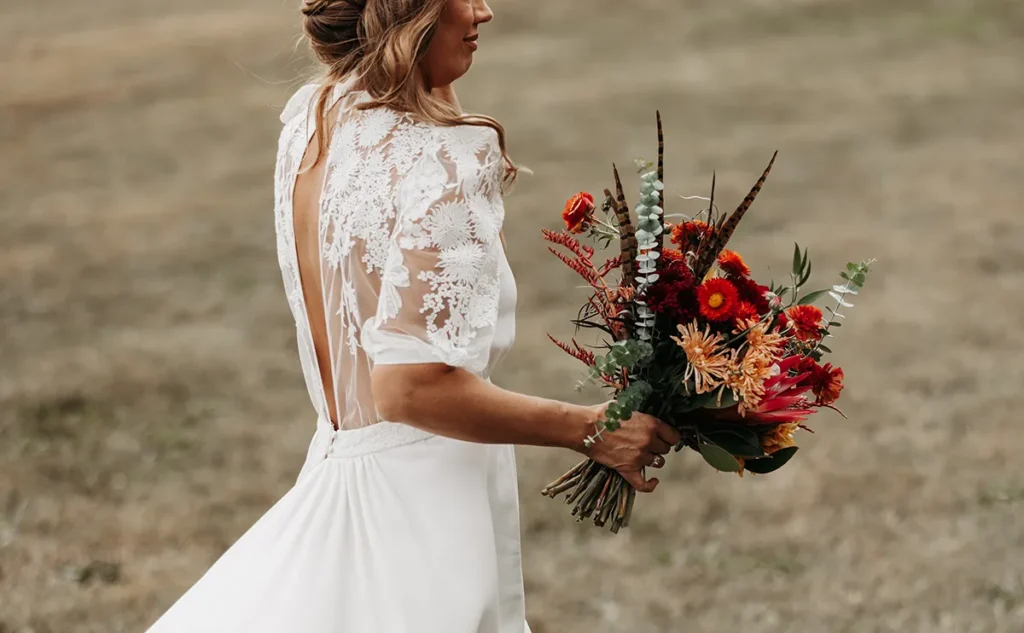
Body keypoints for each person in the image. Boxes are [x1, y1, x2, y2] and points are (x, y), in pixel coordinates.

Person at [143, 1, 680, 631]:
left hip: (341, 469)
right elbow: (409, 387)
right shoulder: (441, 157)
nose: (484, 10)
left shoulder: (313, 124)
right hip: (422, 518)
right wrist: (590, 428)